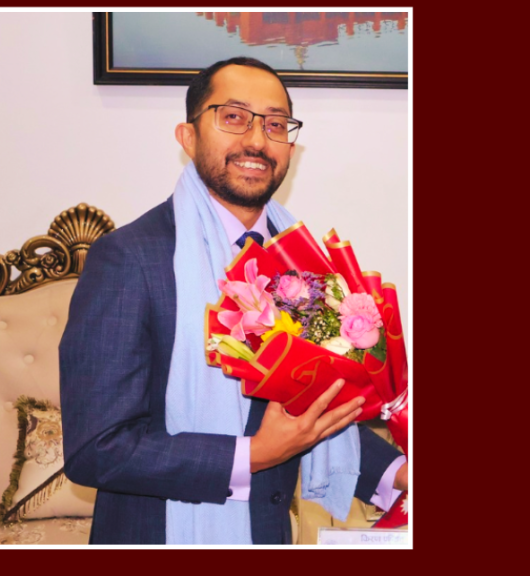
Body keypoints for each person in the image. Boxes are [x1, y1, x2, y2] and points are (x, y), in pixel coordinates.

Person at [59, 57, 407, 545]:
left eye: (276, 124)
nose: (258, 140)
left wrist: (399, 473)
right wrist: (253, 456)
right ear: (187, 136)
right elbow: (97, 450)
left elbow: (307, 412)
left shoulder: (300, 264)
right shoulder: (130, 259)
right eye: (234, 117)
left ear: (291, 146)